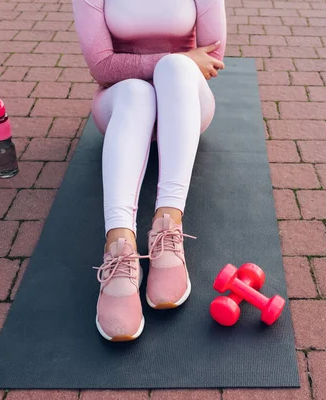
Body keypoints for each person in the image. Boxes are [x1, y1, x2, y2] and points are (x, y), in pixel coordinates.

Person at [72, 0, 227, 342]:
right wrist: (179, 60)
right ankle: (119, 247)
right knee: (139, 92)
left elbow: (212, 58)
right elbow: (102, 67)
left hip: (185, 101)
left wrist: (177, 64)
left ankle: (167, 227)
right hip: (121, 102)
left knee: (175, 70)